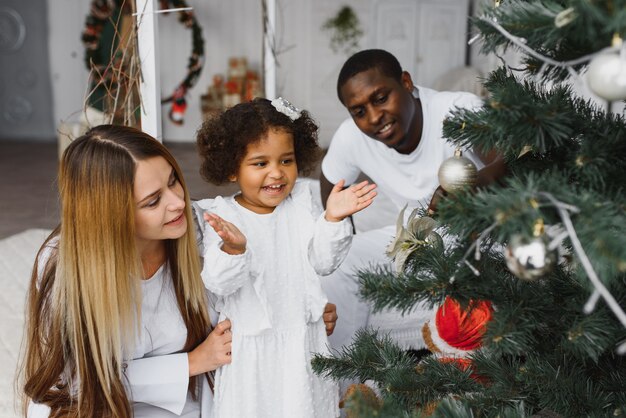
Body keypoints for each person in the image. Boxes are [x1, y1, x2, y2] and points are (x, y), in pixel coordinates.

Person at [21, 125, 235, 418]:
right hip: (91, 405)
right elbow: (73, 382)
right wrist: (191, 363)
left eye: (173, 181)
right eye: (153, 201)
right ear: (112, 216)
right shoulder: (62, 266)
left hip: (184, 400)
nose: (178, 202)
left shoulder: (203, 233)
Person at [193, 97, 377, 417]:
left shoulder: (301, 205)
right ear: (232, 168)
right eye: (260, 163)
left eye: (286, 161)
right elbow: (217, 283)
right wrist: (234, 250)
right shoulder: (222, 215)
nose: (276, 174)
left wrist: (332, 219)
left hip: (303, 346)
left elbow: (323, 261)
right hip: (251, 355)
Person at [319, 49, 507, 350]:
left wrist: (472, 186)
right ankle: (346, 380)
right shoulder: (351, 138)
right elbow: (330, 192)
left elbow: (510, 160)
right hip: (415, 242)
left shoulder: (457, 110)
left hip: (484, 235)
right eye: (359, 111)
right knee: (340, 261)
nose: (374, 117)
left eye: (381, 98)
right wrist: (343, 229)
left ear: (406, 83)